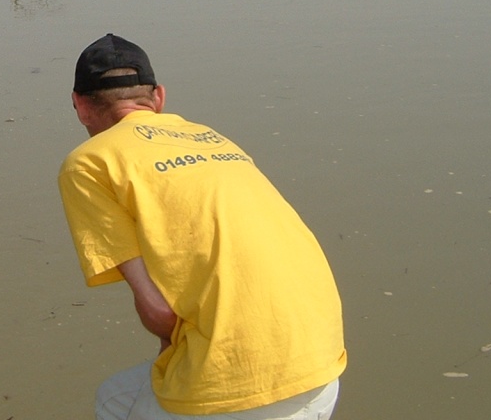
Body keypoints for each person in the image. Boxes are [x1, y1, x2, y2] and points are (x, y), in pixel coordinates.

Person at [58, 34, 346, 420]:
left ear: (79, 105)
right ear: (158, 97)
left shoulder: (91, 163)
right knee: (125, 394)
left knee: (115, 404)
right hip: (321, 367)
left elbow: (159, 312)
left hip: (235, 391)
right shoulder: (214, 139)